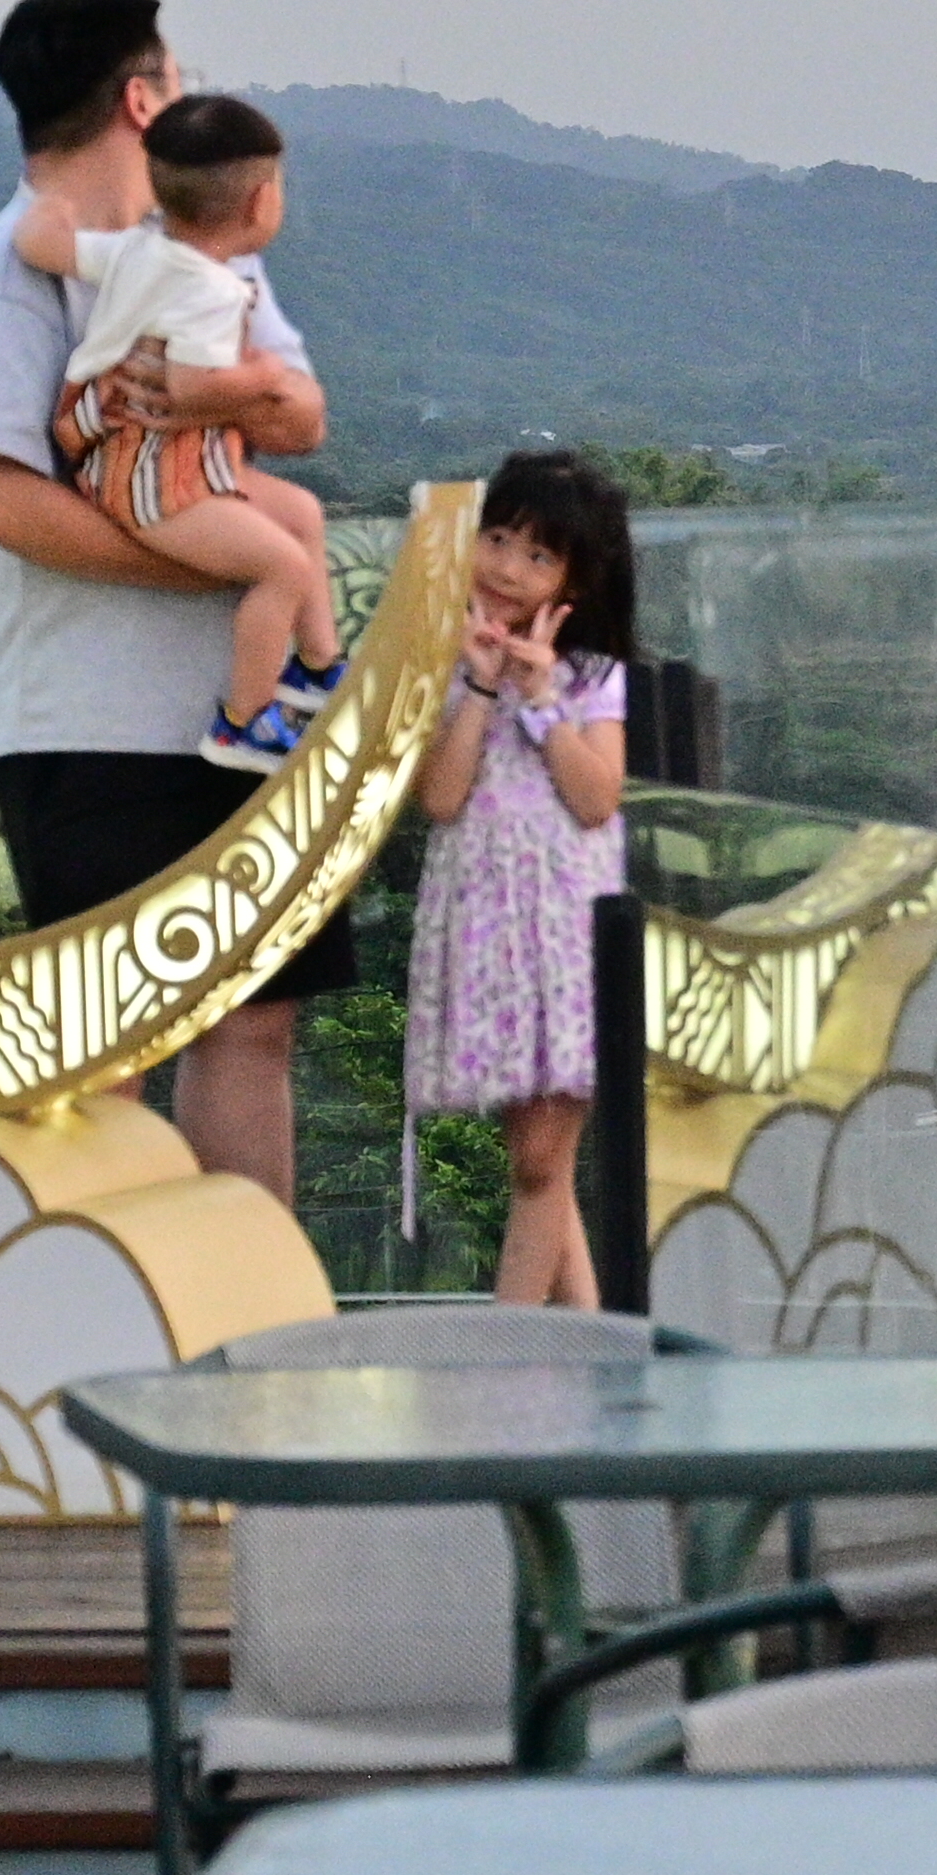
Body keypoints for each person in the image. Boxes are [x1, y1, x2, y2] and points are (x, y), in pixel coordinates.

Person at [0, 0, 347, 1197]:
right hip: (88, 722)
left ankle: (246, 1331)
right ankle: (110, 1346)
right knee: (108, 1050)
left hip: (243, 719)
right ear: (139, 96)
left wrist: (241, 400)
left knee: (254, 1022)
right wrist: (196, 548)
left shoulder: (205, 257)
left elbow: (303, 411)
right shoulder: (4, 277)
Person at [11, 93, 344, 771]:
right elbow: (191, 389)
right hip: (152, 479)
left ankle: (319, 667)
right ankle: (244, 723)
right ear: (260, 203)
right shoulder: (211, 291)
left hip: (144, 459)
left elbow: (46, 248)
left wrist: (43, 218)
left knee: (302, 514)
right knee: (281, 566)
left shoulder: (142, 250)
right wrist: (261, 379)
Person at [403, 448, 636, 1304]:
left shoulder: (593, 675)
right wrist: (480, 685)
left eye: (537, 555)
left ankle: (507, 1358)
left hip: (570, 928)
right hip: (489, 924)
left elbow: (596, 800)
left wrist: (541, 704)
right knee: (539, 1160)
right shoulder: (447, 655)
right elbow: (442, 794)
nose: (505, 567)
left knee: (542, 1159)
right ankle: (598, 1351)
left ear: (575, 575)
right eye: (495, 538)